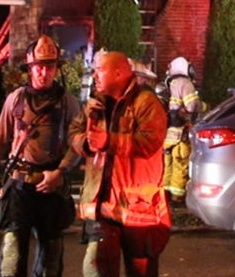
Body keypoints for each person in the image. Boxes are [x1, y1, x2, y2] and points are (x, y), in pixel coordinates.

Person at [0, 35, 82, 277]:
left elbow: (77, 145)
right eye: (39, 66)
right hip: (19, 187)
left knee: (50, 259)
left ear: (57, 68)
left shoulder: (68, 103)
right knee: (12, 258)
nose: (44, 72)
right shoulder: (15, 100)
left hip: (51, 189)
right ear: (30, 67)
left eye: (49, 66)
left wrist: (60, 172)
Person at [69, 50, 170, 277]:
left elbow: (150, 142)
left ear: (118, 73)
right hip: (102, 205)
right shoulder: (96, 104)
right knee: (95, 268)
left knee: (140, 271)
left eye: (100, 71)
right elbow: (73, 131)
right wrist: (85, 143)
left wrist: (109, 141)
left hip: (137, 209)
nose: (95, 76)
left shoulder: (146, 103)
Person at [161, 57, 199, 205]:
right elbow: (191, 107)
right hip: (180, 133)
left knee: (168, 164)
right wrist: (203, 107)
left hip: (168, 134)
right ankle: (177, 196)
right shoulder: (185, 83)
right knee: (181, 164)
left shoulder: (169, 83)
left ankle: (165, 193)